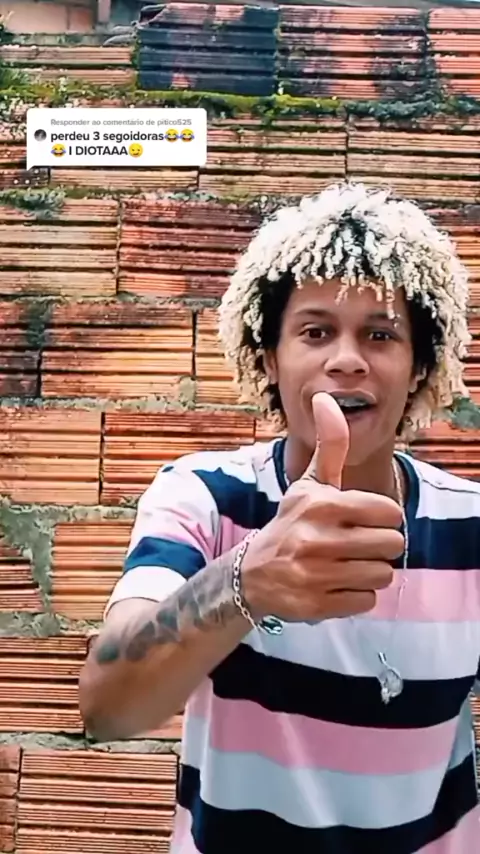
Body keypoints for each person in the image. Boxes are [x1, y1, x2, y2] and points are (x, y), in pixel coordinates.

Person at [79, 183, 480, 853]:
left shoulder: (471, 526)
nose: (346, 358)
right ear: (269, 357)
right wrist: (244, 581)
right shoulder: (204, 498)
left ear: (418, 367)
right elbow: (108, 706)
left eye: (381, 334)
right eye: (316, 331)